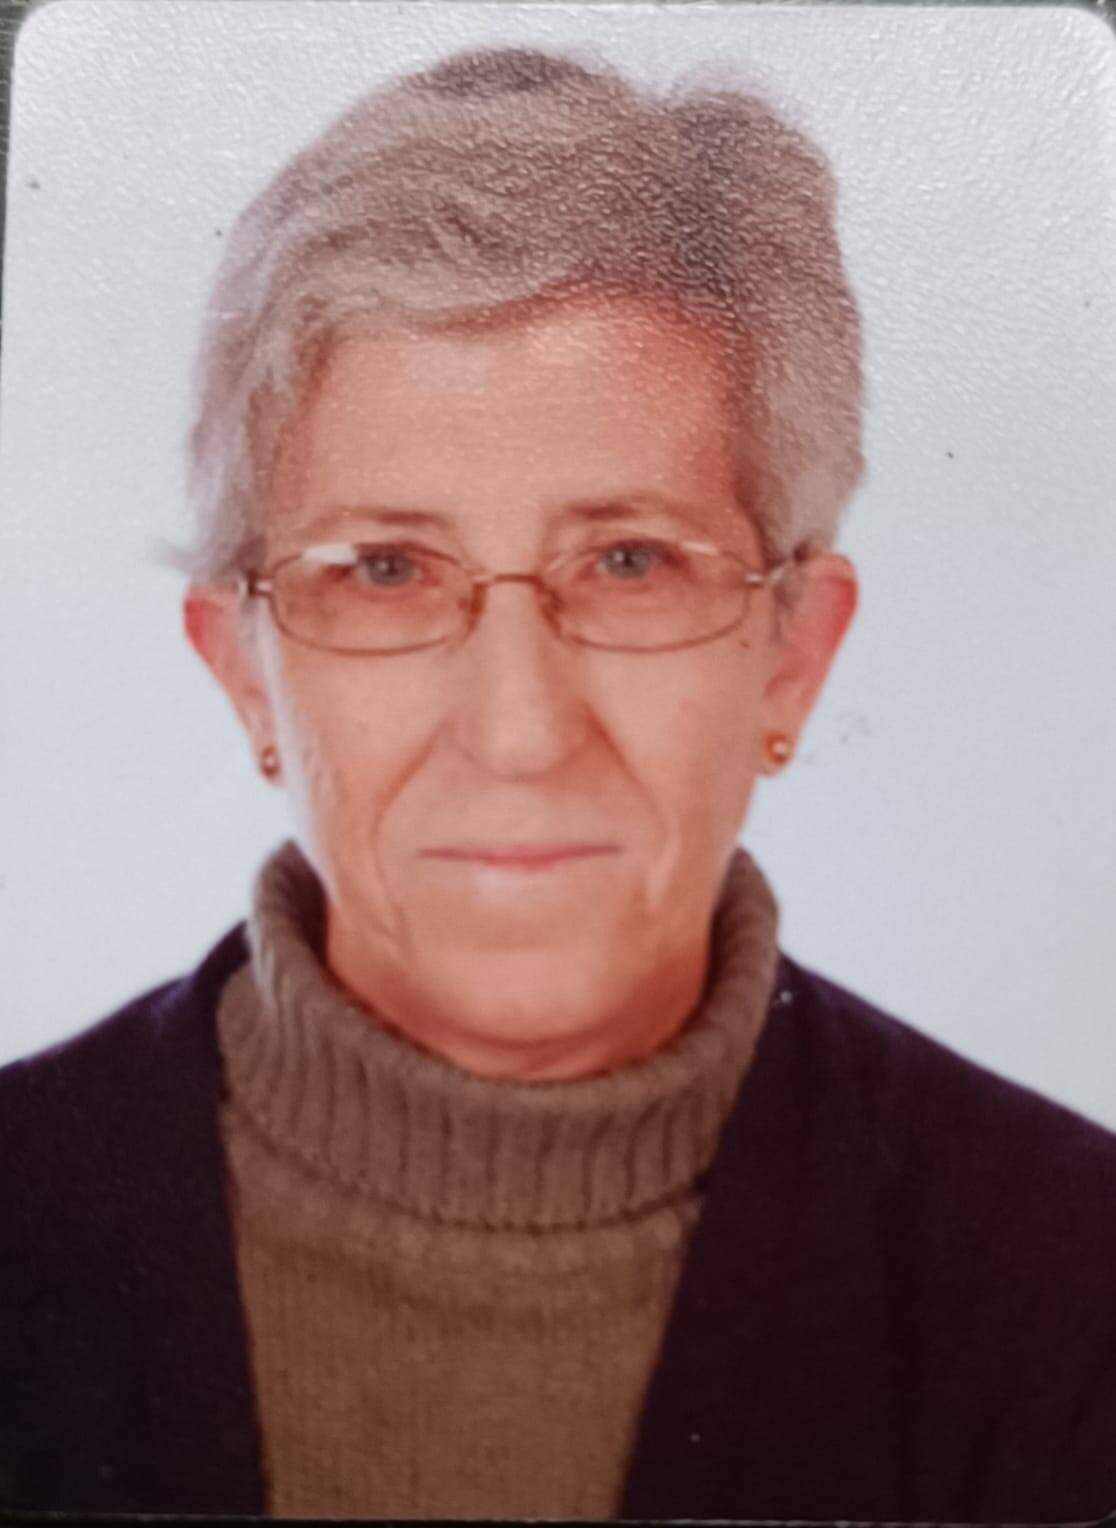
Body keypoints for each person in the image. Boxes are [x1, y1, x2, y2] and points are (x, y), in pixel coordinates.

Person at [2, 44, 1114, 1523]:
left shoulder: (1077, 1280)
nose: (519, 732)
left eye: (630, 561)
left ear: (794, 655)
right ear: (246, 670)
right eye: (385, 570)